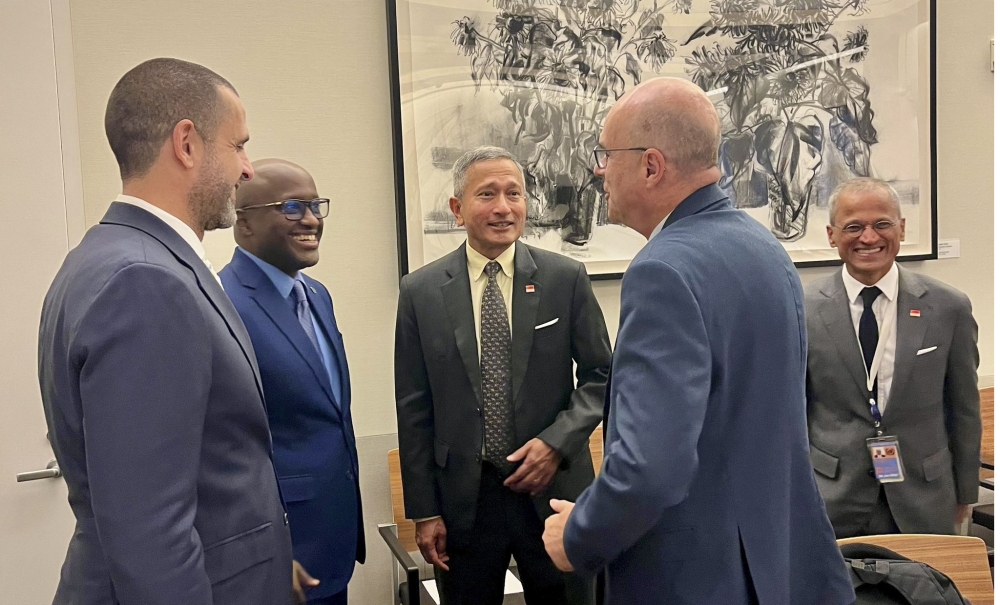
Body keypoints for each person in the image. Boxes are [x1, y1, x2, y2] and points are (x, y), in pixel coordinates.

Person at [542, 78, 854, 605]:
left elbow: (649, 470)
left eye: (605, 154)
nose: (599, 170)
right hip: (773, 567)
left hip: (693, 578)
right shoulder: (764, 247)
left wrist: (578, 536)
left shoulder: (663, 271)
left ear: (650, 165)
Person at [37, 58, 294, 605]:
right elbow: (149, 531)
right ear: (187, 144)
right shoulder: (146, 281)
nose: (246, 169)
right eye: (238, 145)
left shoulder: (108, 256)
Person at [394, 146, 612, 605]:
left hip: (552, 491)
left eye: (514, 193)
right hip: (464, 504)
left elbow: (601, 374)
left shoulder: (564, 278)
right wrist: (424, 511)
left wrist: (557, 442)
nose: (503, 207)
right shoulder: (421, 292)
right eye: (487, 194)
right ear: (457, 209)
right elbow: (414, 406)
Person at [219, 159, 365, 605]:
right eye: (290, 207)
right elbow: (224, 448)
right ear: (242, 222)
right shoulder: (223, 304)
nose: (311, 219)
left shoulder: (316, 295)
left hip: (331, 538)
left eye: (315, 205)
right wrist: (266, 552)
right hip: (280, 553)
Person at [805, 177, 981, 537]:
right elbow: (791, 409)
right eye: (853, 227)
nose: (868, 238)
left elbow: (964, 407)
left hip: (925, 495)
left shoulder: (948, 307)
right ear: (831, 235)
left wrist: (966, 491)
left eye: (881, 224)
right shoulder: (800, 309)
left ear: (900, 228)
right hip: (831, 496)